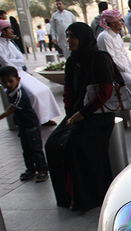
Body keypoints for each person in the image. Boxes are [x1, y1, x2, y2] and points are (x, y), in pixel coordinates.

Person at [45, 22, 117, 211]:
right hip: (77, 113)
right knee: (52, 143)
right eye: (67, 36)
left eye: (72, 37)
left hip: (98, 114)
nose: (68, 41)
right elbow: (68, 90)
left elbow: (105, 91)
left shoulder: (99, 58)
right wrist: (71, 114)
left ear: (83, 37)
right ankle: (66, 196)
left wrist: (80, 115)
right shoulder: (72, 60)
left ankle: (86, 197)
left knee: (74, 143)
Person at [0, 20, 62, 126]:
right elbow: (5, 63)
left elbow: (21, 59)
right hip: (11, 75)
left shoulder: (10, 44)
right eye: (9, 28)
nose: (11, 30)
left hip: (20, 72)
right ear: (3, 31)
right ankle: (36, 120)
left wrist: (14, 61)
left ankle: (45, 118)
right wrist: (15, 62)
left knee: (44, 89)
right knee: (33, 95)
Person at [0, 66, 48, 183]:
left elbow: (10, 110)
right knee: (26, 149)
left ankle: (42, 170)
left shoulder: (19, 94)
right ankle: (31, 170)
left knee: (36, 149)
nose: (8, 84)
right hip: (22, 125)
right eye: (4, 82)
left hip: (30, 124)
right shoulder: (9, 92)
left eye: (10, 81)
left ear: (18, 79)